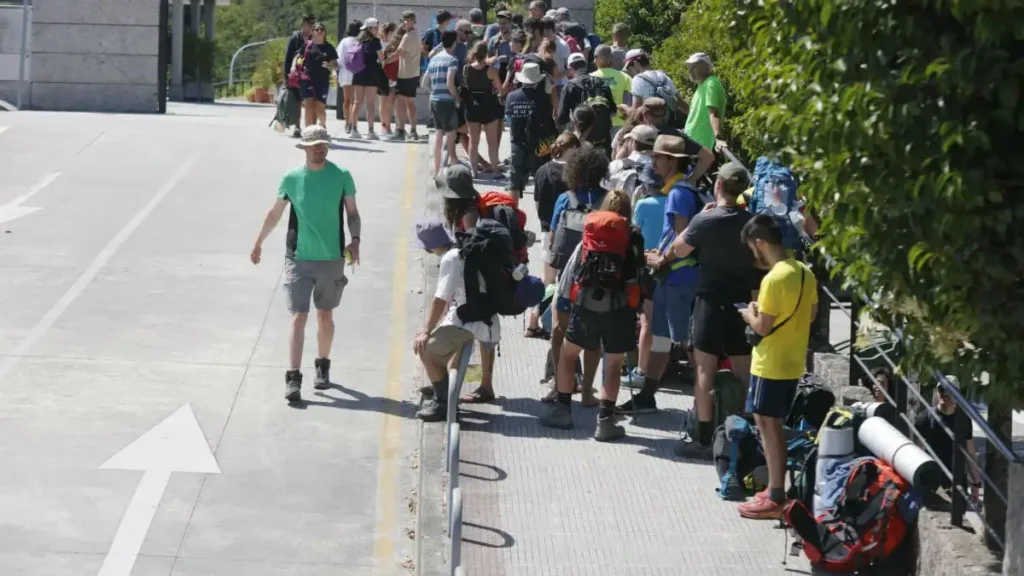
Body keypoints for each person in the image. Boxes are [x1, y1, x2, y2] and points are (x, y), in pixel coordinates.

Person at [250, 126, 361, 403]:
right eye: (315, 146)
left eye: (324, 145)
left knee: (325, 314)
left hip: (332, 257)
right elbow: (275, 214)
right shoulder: (291, 178)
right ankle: (293, 378)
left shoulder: (342, 176)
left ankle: (322, 366)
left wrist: (355, 240)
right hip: (298, 257)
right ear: (305, 148)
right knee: (298, 316)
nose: (320, 149)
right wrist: (258, 242)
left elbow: (353, 213)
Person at [540, 189, 645, 440]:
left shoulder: (591, 232)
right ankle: (605, 422)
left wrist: (560, 301)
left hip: (586, 305)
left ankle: (563, 410)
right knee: (613, 364)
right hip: (620, 308)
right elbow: (637, 273)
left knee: (567, 354)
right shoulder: (634, 236)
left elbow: (573, 269)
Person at [670, 163, 757, 458]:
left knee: (704, 371)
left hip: (709, 301)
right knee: (745, 372)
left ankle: (704, 439)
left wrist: (699, 218)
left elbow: (679, 249)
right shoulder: (752, 223)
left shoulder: (705, 220)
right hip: (742, 304)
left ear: (718, 185)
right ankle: (747, 436)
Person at [736, 214, 818, 519]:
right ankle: (775, 489)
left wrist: (749, 313)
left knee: (767, 426)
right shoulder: (804, 273)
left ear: (760, 243)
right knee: (775, 426)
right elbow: (810, 315)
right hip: (792, 360)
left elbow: (762, 327)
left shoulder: (772, 279)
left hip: (769, 362)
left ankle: (775, 495)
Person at [617, 135, 703, 415]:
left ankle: (707, 407)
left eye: (658, 157)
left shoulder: (678, 193)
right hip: (671, 276)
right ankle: (647, 397)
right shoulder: (678, 189)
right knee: (663, 338)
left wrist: (661, 258)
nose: (653, 161)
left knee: (688, 343)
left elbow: (683, 238)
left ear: (672, 161)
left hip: (678, 276)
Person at [541, 144, 609, 405]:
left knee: (559, 332)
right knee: (594, 337)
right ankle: (589, 391)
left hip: (568, 280)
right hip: (598, 280)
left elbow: (552, 237)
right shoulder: (608, 200)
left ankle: (560, 386)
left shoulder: (565, 199)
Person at [412, 217, 499, 422]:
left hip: (471, 321)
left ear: (431, 246)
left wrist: (426, 330)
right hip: (485, 317)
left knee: (424, 347)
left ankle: (444, 402)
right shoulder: (464, 247)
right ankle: (444, 390)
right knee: (448, 356)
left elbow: (440, 299)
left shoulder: (450, 258)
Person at [526, 132, 580, 338]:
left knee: (548, 281)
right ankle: (551, 321)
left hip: (547, 229)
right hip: (570, 233)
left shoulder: (542, 171)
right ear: (573, 149)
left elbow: (538, 203)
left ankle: (533, 322)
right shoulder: (575, 174)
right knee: (565, 281)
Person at [914, 378, 982, 501]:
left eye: (949, 390)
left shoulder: (964, 420)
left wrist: (976, 483)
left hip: (956, 485)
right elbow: (916, 454)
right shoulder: (924, 419)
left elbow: (970, 454)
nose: (944, 393)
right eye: (941, 389)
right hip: (931, 485)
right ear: (936, 392)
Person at [505, 62, 557, 198]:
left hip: (517, 145)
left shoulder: (511, 97)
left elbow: (509, 119)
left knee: (514, 184)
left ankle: (512, 215)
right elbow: (549, 116)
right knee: (540, 185)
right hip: (538, 147)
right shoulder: (542, 97)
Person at [558, 52, 615, 156]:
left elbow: (562, 117)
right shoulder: (601, 82)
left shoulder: (570, 87)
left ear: (570, 69)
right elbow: (613, 110)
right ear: (585, 66)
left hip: (581, 140)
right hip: (603, 139)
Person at [463, 41, 503, 178]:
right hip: (489, 106)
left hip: (472, 107)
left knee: (473, 142)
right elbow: (500, 89)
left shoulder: (466, 69)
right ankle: (496, 172)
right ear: (486, 54)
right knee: (492, 142)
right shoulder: (491, 70)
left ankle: (474, 172)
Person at [427, 31, 462, 178]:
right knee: (450, 135)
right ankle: (445, 169)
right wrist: (457, 98)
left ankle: (436, 171)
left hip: (434, 99)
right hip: (447, 101)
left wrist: (434, 91)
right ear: (453, 43)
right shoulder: (452, 60)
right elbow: (450, 83)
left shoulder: (433, 59)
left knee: (438, 134)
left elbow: (424, 82)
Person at [295, 22, 338, 129]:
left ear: (324, 32)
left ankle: (322, 127)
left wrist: (329, 65)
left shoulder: (329, 48)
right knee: (308, 106)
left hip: (322, 80)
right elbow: (298, 57)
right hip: (307, 79)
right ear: (313, 32)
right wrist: (293, 67)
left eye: (321, 29)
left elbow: (336, 65)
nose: (319, 31)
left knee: (320, 107)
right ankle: (308, 131)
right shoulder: (307, 45)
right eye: (317, 29)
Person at [684, 52, 727, 152]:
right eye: (689, 67)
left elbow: (714, 113)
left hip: (699, 145)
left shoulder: (711, 83)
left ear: (706, 66)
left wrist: (718, 137)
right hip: (690, 141)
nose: (690, 70)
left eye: (694, 67)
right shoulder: (701, 85)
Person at [350, 18, 385, 139]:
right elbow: (381, 59)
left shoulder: (357, 40)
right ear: (371, 28)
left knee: (357, 102)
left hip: (358, 74)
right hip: (371, 74)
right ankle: (370, 131)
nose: (377, 30)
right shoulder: (375, 41)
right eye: (376, 28)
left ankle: (353, 129)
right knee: (370, 104)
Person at [590, 44, 633, 142]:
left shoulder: (590, 78)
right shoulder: (624, 77)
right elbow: (630, 100)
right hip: (620, 122)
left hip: (598, 123)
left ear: (596, 59)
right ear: (610, 59)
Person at [283, 14, 316, 137]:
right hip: (296, 73)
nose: (309, 27)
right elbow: (288, 57)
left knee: (310, 101)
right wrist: (286, 76)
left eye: (311, 24)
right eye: (307, 24)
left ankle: (312, 127)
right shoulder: (295, 38)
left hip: (310, 74)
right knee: (298, 101)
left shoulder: (315, 37)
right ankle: (297, 126)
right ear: (302, 25)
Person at [391, 11, 422, 142]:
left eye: (406, 20)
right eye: (402, 20)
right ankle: (413, 130)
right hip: (413, 73)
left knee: (400, 101)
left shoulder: (408, 36)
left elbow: (398, 53)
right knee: (409, 102)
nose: (403, 23)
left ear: (412, 21)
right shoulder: (416, 34)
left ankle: (400, 130)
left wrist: (384, 62)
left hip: (405, 73)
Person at [338, 20, 362, 136]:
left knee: (346, 100)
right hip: (357, 73)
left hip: (345, 73)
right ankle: (353, 124)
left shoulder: (344, 41)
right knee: (354, 101)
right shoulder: (360, 41)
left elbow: (339, 59)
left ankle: (347, 123)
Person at [378, 23, 402, 138]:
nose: (395, 35)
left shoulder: (397, 45)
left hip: (395, 76)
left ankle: (395, 126)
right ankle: (384, 126)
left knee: (393, 102)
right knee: (384, 102)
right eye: (393, 32)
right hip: (383, 77)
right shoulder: (381, 45)